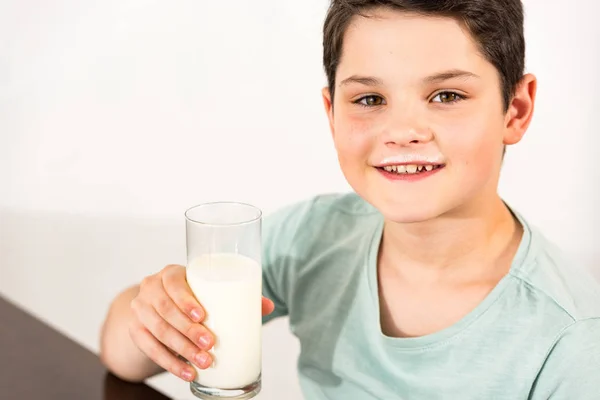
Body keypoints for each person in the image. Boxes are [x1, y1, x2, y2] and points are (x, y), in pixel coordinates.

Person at [99, 0, 600, 398]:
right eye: (370, 99)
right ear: (331, 112)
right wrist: (156, 315)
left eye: (446, 95)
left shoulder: (572, 341)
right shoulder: (312, 236)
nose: (403, 131)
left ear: (515, 109)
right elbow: (120, 356)